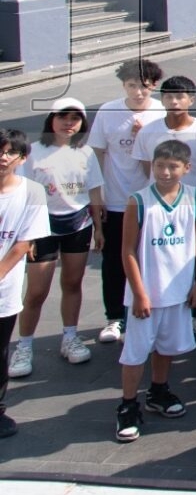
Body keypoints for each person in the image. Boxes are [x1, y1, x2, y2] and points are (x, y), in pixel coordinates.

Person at [115, 140, 196, 443]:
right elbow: (128, 251)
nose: (165, 172)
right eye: (160, 166)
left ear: (186, 168)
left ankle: (158, 390)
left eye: (172, 166)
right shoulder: (139, 201)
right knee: (135, 352)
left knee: (166, 347)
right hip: (147, 293)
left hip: (178, 291)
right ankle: (128, 405)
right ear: (152, 166)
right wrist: (139, 292)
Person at [12, 100, 103, 377]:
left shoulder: (86, 153)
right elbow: (21, 193)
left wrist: (98, 227)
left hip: (78, 224)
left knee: (72, 283)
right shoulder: (33, 153)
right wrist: (22, 235)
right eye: (63, 117)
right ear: (51, 119)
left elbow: (95, 191)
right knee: (37, 292)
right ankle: (24, 346)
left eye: (75, 119)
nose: (69, 123)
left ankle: (70, 337)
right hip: (41, 228)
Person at [88, 59, 165, 345]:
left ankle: (152, 311)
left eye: (144, 86)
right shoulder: (109, 112)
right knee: (114, 260)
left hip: (153, 200)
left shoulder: (161, 110)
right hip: (118, 200)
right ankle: (114, 317)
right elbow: (95, 155)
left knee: (153, 259)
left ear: (153, 86)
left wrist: (141, 138)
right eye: (132, 86)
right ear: (124, 86)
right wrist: (98, 199)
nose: (138, 92)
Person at [0, 129, 49, 437]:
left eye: (9, 153)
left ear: (22, 158)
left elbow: (23, 243)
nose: (3, 157)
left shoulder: (32, 191)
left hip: (4, 289)